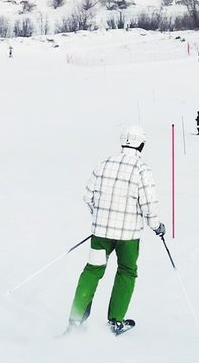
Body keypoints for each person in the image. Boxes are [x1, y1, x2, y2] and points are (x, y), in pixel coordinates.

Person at [69, 125, 164, 335]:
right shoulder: (141, 168)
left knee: (92, 271)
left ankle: (76, 321)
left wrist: (100, 215)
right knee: (127, 271)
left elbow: (88, 196)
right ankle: (115, 321)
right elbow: (149, 204)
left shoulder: (105, 163)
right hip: (128, 236)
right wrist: (157, 227)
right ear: (142, 144)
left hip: (101, 234)